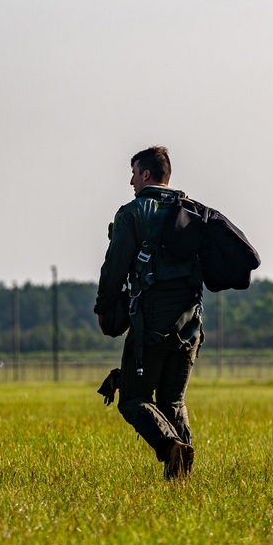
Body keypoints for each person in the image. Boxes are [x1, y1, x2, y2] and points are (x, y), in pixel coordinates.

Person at [94, 147, 203, 480]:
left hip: (151, 324)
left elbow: (114, 269)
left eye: (134, 172)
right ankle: (182, 480)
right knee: (172, 401)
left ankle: (170, 445)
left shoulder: (132, 213)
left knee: (134, 398)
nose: (130, 180)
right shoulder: (193, 211)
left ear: (146, 174)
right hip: (190, 324)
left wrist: (104, 309)